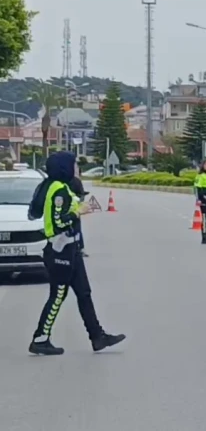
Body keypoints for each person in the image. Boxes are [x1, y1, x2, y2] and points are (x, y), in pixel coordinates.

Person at [27, 151, 125, 355]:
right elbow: (59, 222)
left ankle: (97, 336)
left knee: (84, 293)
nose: (76, 169)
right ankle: (40, 338)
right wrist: (79, 211)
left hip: (71, 249)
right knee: (58, 295)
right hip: (60, 250)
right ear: (64, 168)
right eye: (73, 165)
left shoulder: (57, 186)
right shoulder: (59, 190)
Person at [68, 164, 89, 257]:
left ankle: (80, 248)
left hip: (73, 211)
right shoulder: (75, 181)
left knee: (76, 230)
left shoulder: (75, 181)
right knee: (75, 230)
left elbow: (81, 194)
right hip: (69, 211)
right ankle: (78, 248)